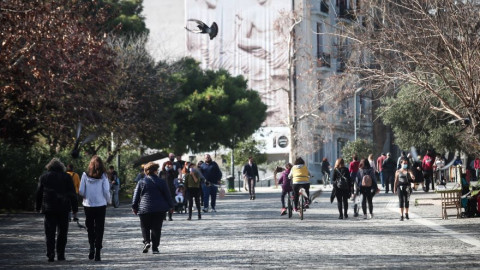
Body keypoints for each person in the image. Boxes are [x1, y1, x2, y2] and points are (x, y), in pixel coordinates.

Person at [36, 158, 78, 262]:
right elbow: (73, 194)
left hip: (49, 208)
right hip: (63, 208)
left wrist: (38, 207)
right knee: (62, 232)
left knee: (49, 232)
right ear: (61, 167)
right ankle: (61, 254)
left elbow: (39, 193)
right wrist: (74, 209)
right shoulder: (67, 177)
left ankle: (50, 253)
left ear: (49, 166)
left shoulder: (44, 177)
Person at [132, 162, 174, 254]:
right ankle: (155, 248)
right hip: (159, 209)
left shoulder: (141, 182)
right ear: (155, 171)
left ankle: (147, 242)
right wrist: (171, 206)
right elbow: (168, 195)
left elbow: (136, 196)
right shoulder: (162, 182)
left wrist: (134, 207)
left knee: (145, 227)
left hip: (144, 209)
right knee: (156, 228)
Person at [79, 155, 111, 261]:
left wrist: (85, 196)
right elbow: (106, 191)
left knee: (90, 227)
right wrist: (109, 201)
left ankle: (91, 246)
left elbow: (81, 191)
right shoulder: (104, 176)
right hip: (101, 205)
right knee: (99, 228)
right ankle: (98, 252)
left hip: (88, 205)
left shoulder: (85, 175)